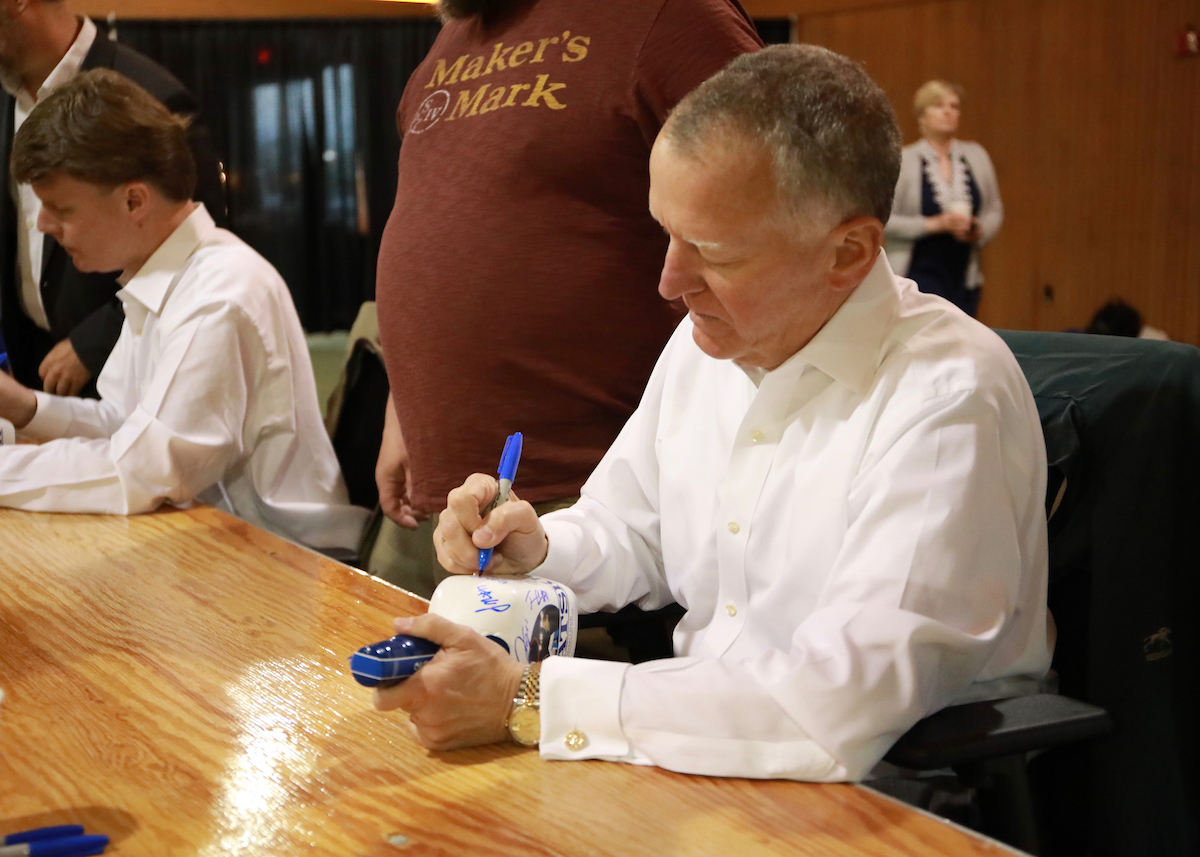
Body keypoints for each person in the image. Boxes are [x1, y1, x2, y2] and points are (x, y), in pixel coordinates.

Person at [369, 45, 1053, 783]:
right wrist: (533, 548)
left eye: (713, 251)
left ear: (848, 252)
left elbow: (834, 703)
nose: (670, 280)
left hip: (893, 791)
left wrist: (529, 699)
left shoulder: (948, 396)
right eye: (667, 232)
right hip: (695, 748)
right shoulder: (711, 343)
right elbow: (632, 526)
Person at [369, 0, 762, 596]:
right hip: (436, 495)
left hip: (586, 499)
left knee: (534, 692)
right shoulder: (451, 40)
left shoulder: (667, 15)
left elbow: (784, 220)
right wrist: (404, 404)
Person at [0, 69, 366, 552]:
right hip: (223, 542)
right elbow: (132, 427)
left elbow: (146, 470)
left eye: (61, 209)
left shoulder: (218, 294)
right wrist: (26, 407)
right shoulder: (166, 274)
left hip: (291, 565)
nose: (45, 225)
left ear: (134, 200)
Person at [0, 0, 225, 399]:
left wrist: (94, 341)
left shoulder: (153, 97)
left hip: (116, 357)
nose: (46, 222)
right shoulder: (7, 98)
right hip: (27, 352)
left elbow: (192, 247)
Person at [884, 80, 1002, 318]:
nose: (949, 112)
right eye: (939, 106)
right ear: (922, 115)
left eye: (954, 106)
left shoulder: (976, 155)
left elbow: (994, 209)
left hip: (964, 275)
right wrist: (935, 224)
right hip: (916, 272)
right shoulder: (904, 160)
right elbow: (884, 220)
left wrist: (978, 229)